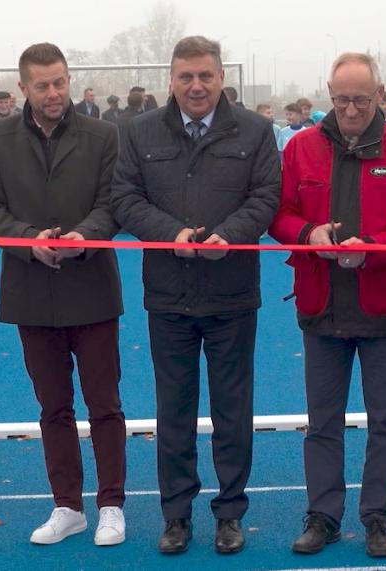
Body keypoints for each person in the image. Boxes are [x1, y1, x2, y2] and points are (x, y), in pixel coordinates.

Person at [111, 35, 280, 556]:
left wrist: (229, 236)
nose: (196, 85)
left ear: (221, 77)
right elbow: (124, 197)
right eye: (186, 76)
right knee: (174, 412)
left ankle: (230, 513)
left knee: (233, 411)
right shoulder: (138, 132)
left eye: (205, 75)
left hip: (232, 297)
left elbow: (267, 197)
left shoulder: (255, 130)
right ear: (171, 79)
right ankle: (176, 515)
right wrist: (170, 234)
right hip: (169, 297)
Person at [268, 52, 386, 559]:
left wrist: (373, 250)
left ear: (380, 95)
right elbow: (279, 214)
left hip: (384, 308)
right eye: (342, 99)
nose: (352, 109)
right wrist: (306, 233)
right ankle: (323, 515)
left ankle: (378, 518)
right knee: (322, 421)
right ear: (328, 94)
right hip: (320, 306)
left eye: (362, 99)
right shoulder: (299, 148)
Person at [0, 42, 128, 548]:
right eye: (42, 84)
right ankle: (68, 506)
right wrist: (27, 241)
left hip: (93, 289)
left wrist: (84, 236)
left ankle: (111, 505)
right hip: (31, 292)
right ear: (23, 87)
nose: (53, 92)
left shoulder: (104, 135)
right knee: (53, 407)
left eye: (59, 81)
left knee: (104, 404)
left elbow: (113, 203)